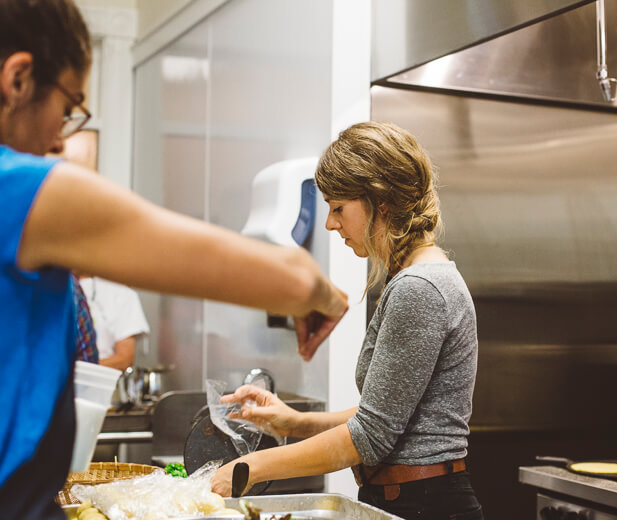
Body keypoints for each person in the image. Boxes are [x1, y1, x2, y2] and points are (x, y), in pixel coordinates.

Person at [0, 1, 347, 518]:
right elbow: (290, 281)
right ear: (19, 78)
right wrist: (326, 295)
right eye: (69, 107)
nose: (59, 138)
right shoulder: (22, 190)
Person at [212, 121, 483, 520]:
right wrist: (294, 421)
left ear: (381, 202)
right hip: (412, 498)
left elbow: (369, 437)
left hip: (425, 504)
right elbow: (383, 415)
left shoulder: (419, 288)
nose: (330, 224)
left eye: (339, 209)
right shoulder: (415, 279)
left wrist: (246, 469)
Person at [79, 276, 150, 371]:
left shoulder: (121, 294)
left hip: (100, 380)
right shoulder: (60, 286)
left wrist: (79, 370)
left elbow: (125, 358)